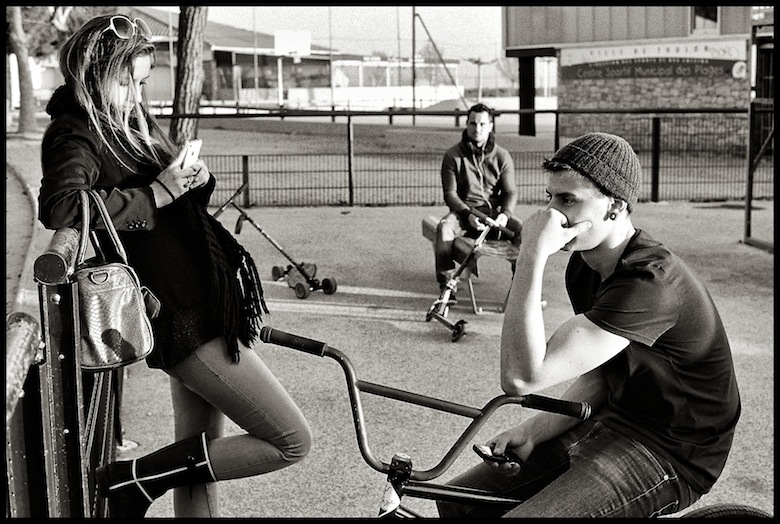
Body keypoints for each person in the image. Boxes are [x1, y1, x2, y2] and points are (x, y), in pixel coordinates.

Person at [38, 14, 312, 518]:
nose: (137, 96)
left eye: (143, 83)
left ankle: (141, 480)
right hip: (178, 313)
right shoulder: (76, 131)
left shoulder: (127, 122)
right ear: (94, 76)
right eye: (127, 82)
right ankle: (133, 480)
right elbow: (61, 206)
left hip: (201, 301)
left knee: (196, 463)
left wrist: (191, 180)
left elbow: (169, 201)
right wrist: (156, 193)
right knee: (291, 440)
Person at [436, 132, 741, 518]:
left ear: (615, 206)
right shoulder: (585, 266)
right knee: (457, 502)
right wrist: (533, 430)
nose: (551, 214)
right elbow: (604, 374)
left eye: (567, 200)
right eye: (549, 197)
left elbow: (521, 377)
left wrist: (531, 254)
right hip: (618, 416)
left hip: (672, 450)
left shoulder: (649, 284)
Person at [434, 103, 523, 302]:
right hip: (464, 213)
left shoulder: (502, 156)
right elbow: (450, 195)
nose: (477, 128)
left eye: (482, 124)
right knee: (444, 228)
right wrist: (468, 214)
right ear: (466, 124)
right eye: (473, 123)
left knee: (524, 231)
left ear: (491, 126)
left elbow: (510, 192)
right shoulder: (452, 156)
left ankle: (522, 288)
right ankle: (447, 287)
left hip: (494, 215)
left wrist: (505, 214)